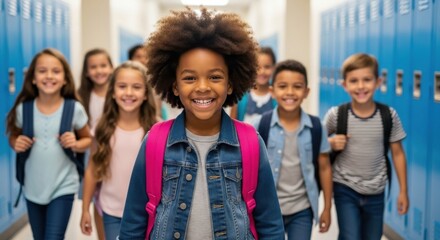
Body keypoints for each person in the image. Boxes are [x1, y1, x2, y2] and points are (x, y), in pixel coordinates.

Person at [118, 7, 284, 239]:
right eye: (189, 78)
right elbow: (133, 220)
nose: (203, 86)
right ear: (175, 86)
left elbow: (270, 222)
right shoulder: (156, 140)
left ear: (230, 83)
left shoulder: (250, 141)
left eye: (215, 77)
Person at [6, 48, 92, 240]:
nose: (49, 76)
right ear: (33, 78)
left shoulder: (73, 109)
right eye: (42, 71)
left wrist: (76, 144)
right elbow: (14, 134)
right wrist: (15, 142)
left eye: (56, 71)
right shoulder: (24, 110)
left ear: (65, 79)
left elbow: (87, 139)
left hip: (63, 185)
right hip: (33, 187)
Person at [324, 53, 409, 240]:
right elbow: (317, 144)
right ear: (344, 85)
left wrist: (403, 191)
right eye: (354, 81)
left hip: (376, 191)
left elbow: (398, 154)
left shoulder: (389, 116)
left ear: (378, 82)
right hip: (345, 188)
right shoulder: (337, 115)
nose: (361, 86)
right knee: (350, 236)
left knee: (372, 236)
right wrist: (330, 143)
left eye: (367, 80)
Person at [252, 59, 333, 239]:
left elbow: (325, 167)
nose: (290, 92)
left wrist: (327, 208)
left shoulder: (316, 127)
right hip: (268, 210)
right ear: (272, 91)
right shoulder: (260, 125)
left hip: (302, 210)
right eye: (282, 86)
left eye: (297, 86)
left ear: (306, 92)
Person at [80, 61, 157, 240]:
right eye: (122, 86)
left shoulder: (156, 129)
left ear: (146, 94)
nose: (129, 93)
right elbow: (92, 169)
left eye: (136, 87)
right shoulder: (102, 127)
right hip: (111, 211)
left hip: (146, 212)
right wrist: (85, 209)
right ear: (113, 92)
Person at [77, 48, 114, 240]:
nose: (99, 70)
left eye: (103, 65)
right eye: (93, 67)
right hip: (93, 156)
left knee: (112, 198)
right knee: (97, 200)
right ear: (86, 72)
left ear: (111, 67)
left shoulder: (118, 93)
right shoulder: (82, 96)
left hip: (115, 155)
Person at [230, 46, 277, 123]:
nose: (262, 72)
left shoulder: (278, 96)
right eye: (258, 67)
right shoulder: (240, 96)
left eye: (267, 67)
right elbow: (232, 125)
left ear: (274, 68)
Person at [128, 44, 166, 120]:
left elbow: (157, 110)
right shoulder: (126, 79)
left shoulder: (155, 82)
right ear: (130, 59)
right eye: (138, 57)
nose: (142, 60)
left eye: (146, 57)